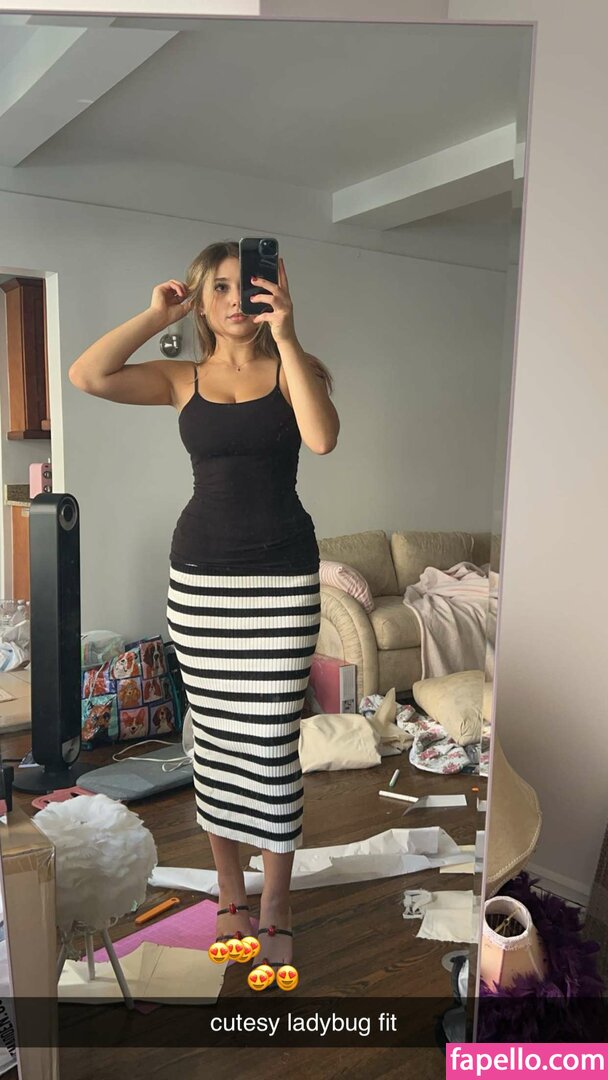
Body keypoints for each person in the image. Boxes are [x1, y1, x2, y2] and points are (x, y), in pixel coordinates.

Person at [69, 240, 340, 970]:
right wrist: (154, 316)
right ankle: (229, 893)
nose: (235, 298)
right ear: (199, 300)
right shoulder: (182, 378)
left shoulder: (297, 369)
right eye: (218, 287)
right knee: (215, 742)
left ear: (272, 291)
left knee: (273, 742)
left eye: (248, 285)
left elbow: (321, 440)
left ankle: (276, 901)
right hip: (200, 582)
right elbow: (87, 374)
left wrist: (287, 335)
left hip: (282, 580)